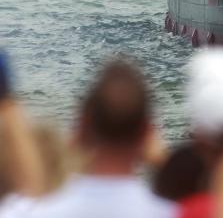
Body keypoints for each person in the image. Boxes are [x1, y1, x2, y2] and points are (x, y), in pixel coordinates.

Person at [28, 60, 175, 218]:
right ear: (148, 133)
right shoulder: (171, 212)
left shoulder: (36, 210)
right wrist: (166, 166)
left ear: (83, 125)